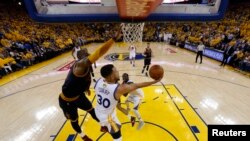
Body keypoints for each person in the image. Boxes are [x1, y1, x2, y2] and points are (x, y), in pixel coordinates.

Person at [59, 31, 119, 141]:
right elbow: (98, 53)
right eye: (87, 56)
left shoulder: (86, 67)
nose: (89, 57)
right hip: (67, 101)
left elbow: (84, 80)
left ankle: (102, 124)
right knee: (75, 120)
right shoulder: (80, 65)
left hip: (79, 96)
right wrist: (112, 40)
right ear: (82, 58)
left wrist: (86, 89)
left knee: (92, 110)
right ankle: (83, 136)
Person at [94, 64, 162, 141]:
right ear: (112, 75)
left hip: (98, 111)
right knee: (118, 138)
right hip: (108, 118)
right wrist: (154, 81)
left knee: (118, 119)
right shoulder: (119, 88)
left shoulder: (98, 81)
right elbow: (137, 85)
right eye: (116, 71)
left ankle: (105, 125)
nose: (118, 72)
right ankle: (106, 126)